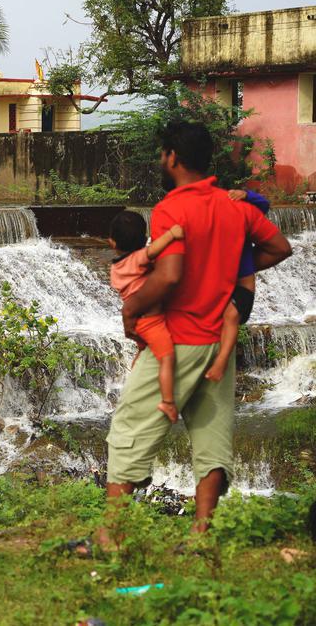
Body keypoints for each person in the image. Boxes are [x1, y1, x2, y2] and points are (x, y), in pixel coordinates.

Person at [104, 121, 292, 538]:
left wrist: (132, 308)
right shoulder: (236, 206)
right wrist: (226, 276)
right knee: (211, 439)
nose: (160, 160)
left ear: (172, 157)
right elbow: (280, 248)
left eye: (162, 154)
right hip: (217, 342)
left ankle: (109, 537)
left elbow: (169, 275)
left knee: (130, 432)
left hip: (178, 338)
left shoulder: (172, 207)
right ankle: (201, 534)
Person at [108, 210, 185, 424]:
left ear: (112, 242)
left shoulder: (116, 268)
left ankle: (134, 380)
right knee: (167, 358)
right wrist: (171, 234)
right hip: (151, 322)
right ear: (144, 239)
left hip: (138, 325)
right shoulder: (136, 260)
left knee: (143, 351)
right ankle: (168, 402)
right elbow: (152, 251)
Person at [203, 187, 271, 382]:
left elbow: (264, 205)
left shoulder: (244, 225)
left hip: (241, 288)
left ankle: (222, 362)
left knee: (230, 316)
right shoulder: (210, 234)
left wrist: (247, 194)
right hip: (216, 289)